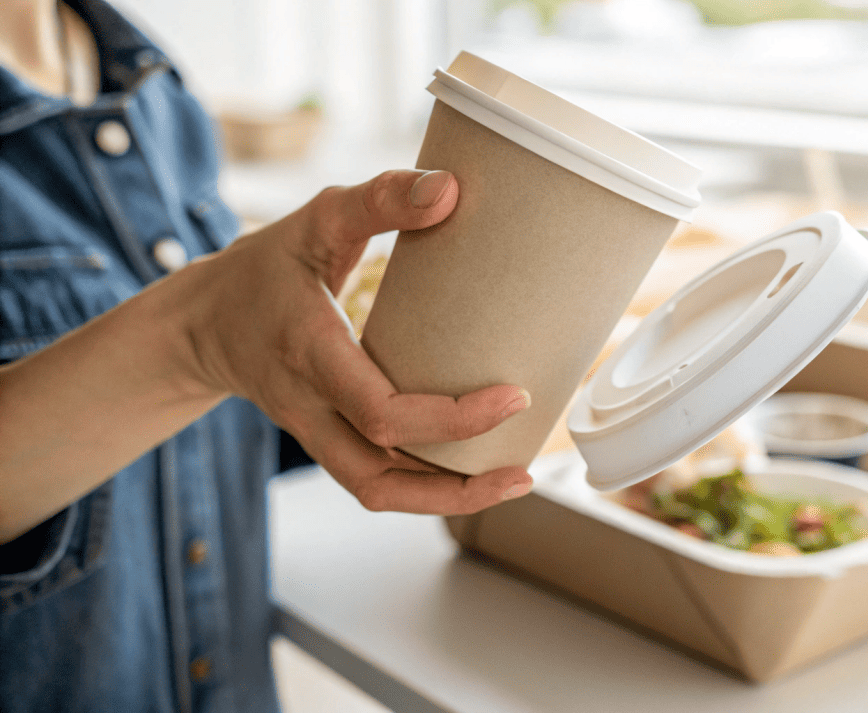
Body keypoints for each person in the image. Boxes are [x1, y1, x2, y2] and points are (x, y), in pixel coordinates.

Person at [0, 1, 534, 710]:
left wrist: (337, 363)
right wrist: (199, 338)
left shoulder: (150, 82)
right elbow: (204, 346)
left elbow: (204, 430)